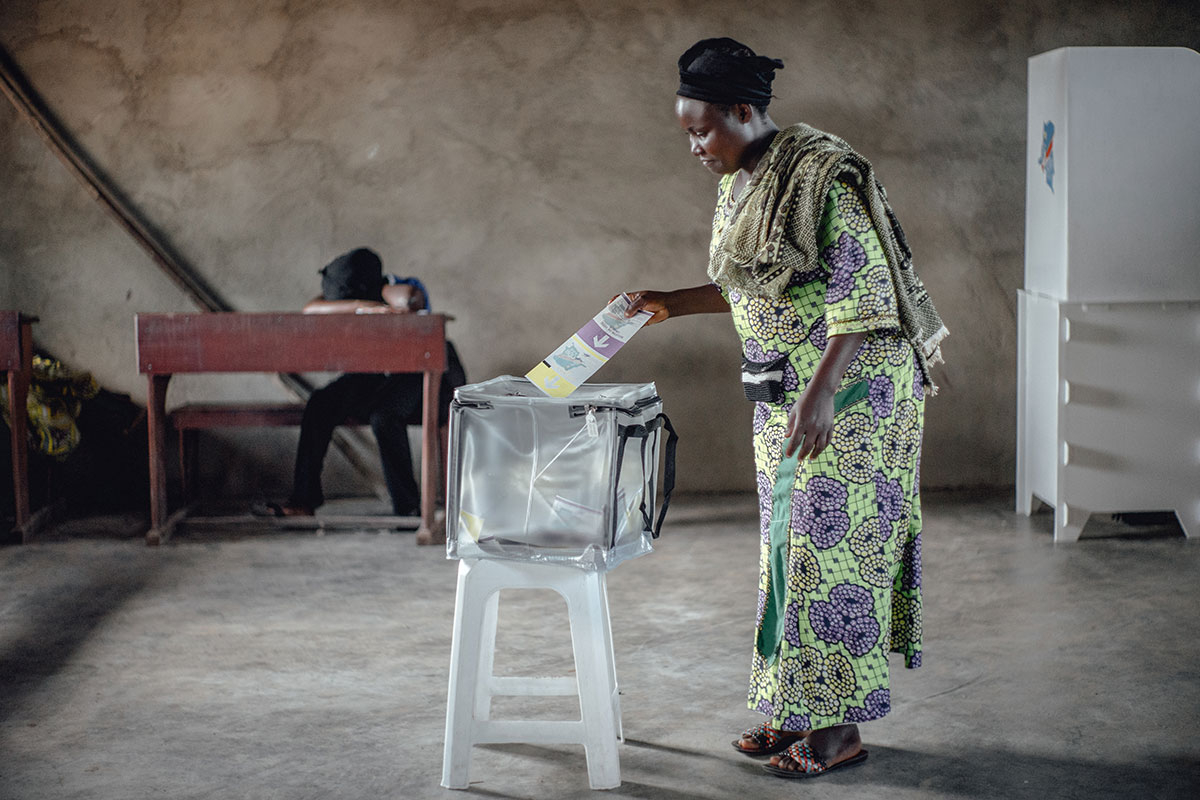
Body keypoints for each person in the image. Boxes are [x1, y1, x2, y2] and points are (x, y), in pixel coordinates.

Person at [621, 38, 947, 779]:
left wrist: (823, 391)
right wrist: (672, 301)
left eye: (702, 129)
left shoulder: (821, 178)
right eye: (686, 133)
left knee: (832, 559)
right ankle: (793, 708)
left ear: (744, 109)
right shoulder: (742, 180)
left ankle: (839, 734)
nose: (695, 147)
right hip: (788, 396)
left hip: (852, 393)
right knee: (786, 557)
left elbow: (865, 301)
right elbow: (756, 288)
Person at [255, 247, 466, 520]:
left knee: (384, 416)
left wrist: (380, 296)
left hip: (417, 374)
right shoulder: (349, 299)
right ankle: (304, 501)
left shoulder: (401, 286)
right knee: (320, 404)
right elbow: (311, 309)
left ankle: (409, 508)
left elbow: (410, 301)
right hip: (374, 375)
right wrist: (358, 306)